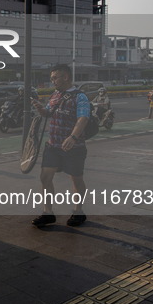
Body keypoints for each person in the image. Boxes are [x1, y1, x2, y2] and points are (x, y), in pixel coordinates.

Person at [31, 64, 90, 227]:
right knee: (45, 177)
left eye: (55, 78)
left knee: (76, 180)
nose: (52, 81)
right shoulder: (55, 95)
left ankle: (78, 211)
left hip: (74, 148)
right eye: (51, 78)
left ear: (65, 77)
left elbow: (83, 118)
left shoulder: (80, 97)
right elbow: (48, 114)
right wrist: (40, 108)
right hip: (53, 146)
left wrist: (73, 137)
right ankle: (48, 213)